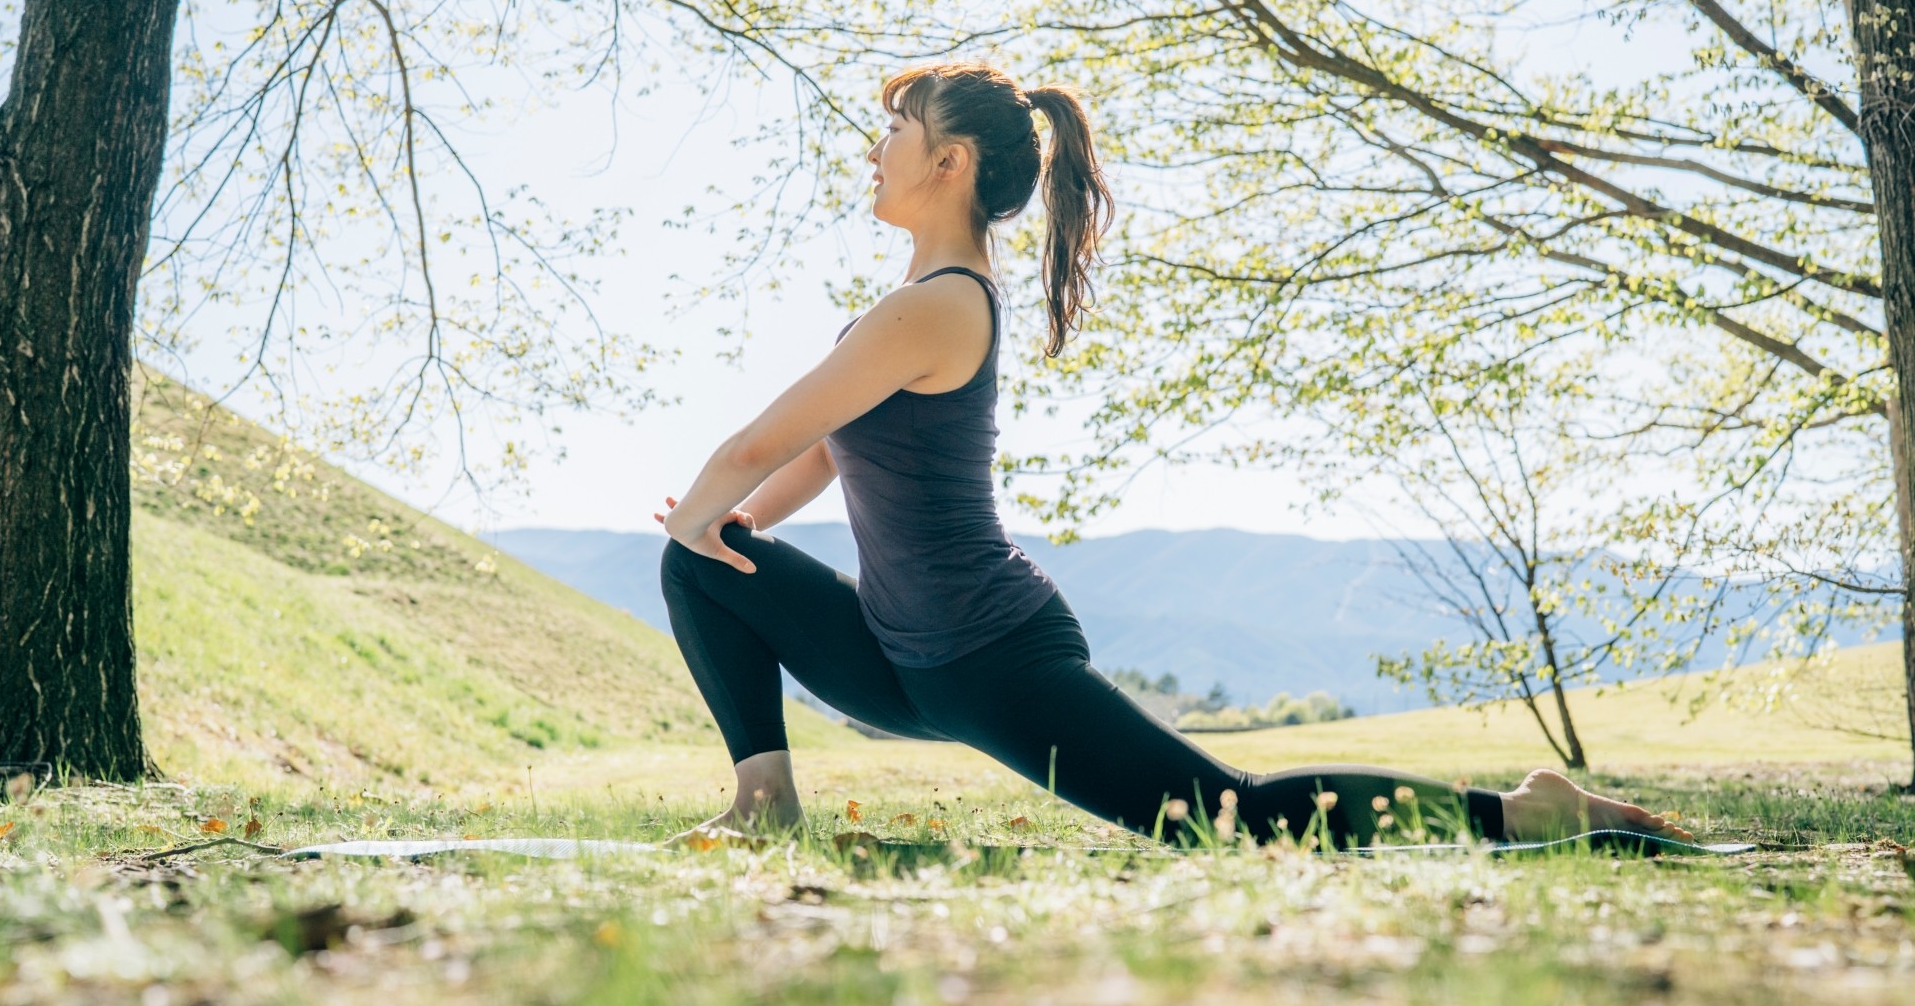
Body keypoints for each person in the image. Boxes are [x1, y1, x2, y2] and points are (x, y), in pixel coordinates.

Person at [654, 61, 1690, 850]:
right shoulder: (905, 312)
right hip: (895, 656)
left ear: (949, 163)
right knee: (696, 560)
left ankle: (1523, 812)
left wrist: (707, 501)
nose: (873, 147)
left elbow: (760, 439)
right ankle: (765, 804)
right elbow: (820, 461)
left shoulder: (939, 307)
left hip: (985, 658)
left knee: (1222, 817)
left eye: (896, 130)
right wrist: (724, 528)